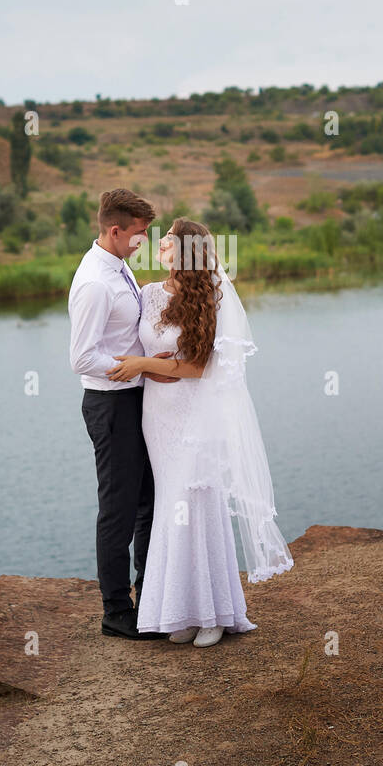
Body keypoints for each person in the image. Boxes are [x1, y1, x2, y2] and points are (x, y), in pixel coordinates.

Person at [106, 217, 293, 647]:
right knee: (172, 506)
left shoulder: (208, 297)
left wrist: (148, 365)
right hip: (158, 415)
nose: (161, 245)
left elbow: (196, 367)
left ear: (187, 250)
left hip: (195, 414)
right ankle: (183, 613)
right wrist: (154, 364)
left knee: (197, 501)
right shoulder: (150, 294)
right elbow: (147, 349)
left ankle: (216, 613)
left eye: (169, 240)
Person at [68, 187, 170, 639]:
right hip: (111, 404)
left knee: (149, 499)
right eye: (139, 234)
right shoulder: (94, 282)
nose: (143, 241)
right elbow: (82, 358)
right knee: (118, 509)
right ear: (115, 231)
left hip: (134, 398)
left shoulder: (118, 266)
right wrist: (136, 368)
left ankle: (149, 593)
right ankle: (116, 611)